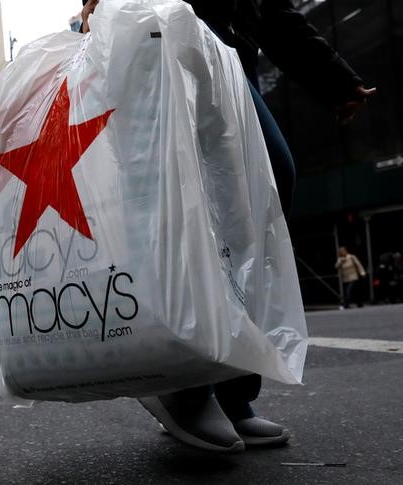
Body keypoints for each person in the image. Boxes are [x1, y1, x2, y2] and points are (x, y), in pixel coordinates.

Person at [80, 0, 375, 452]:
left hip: (233, 46)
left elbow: (272, 9)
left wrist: (333, 77)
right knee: (203, 198)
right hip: (164, 32)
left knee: (249, 202)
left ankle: (229, 389)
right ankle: (185, 382)